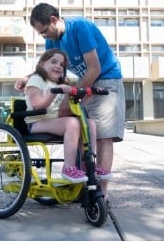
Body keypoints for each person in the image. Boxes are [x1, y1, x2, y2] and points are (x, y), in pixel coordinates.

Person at [16, 3, 125, 197]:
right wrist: (27, 77)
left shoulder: (79, 28)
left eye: (44, 31)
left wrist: (70, 94)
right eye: (40, 34)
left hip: (105, 79)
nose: (44, 36)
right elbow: (45, 69)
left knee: (102, 135)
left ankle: (101, 194)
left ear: (54, 20)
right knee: (84, 127)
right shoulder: (52, 42)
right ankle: (84, 177)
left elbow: (94, 69)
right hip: (83, 84)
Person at [24, 48, 110, 183]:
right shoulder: (36, 80)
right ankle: (68, 168)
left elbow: (73, 105)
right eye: (54, 62)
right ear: (41, 64)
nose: (58, 66)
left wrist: (88, 93)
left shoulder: (61, 84)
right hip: (37, 122)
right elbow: (37, 106)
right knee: (72, 123)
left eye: (62, 65)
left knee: (89, 123)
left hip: (56, 122)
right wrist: (53, 92)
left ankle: (87, 164)